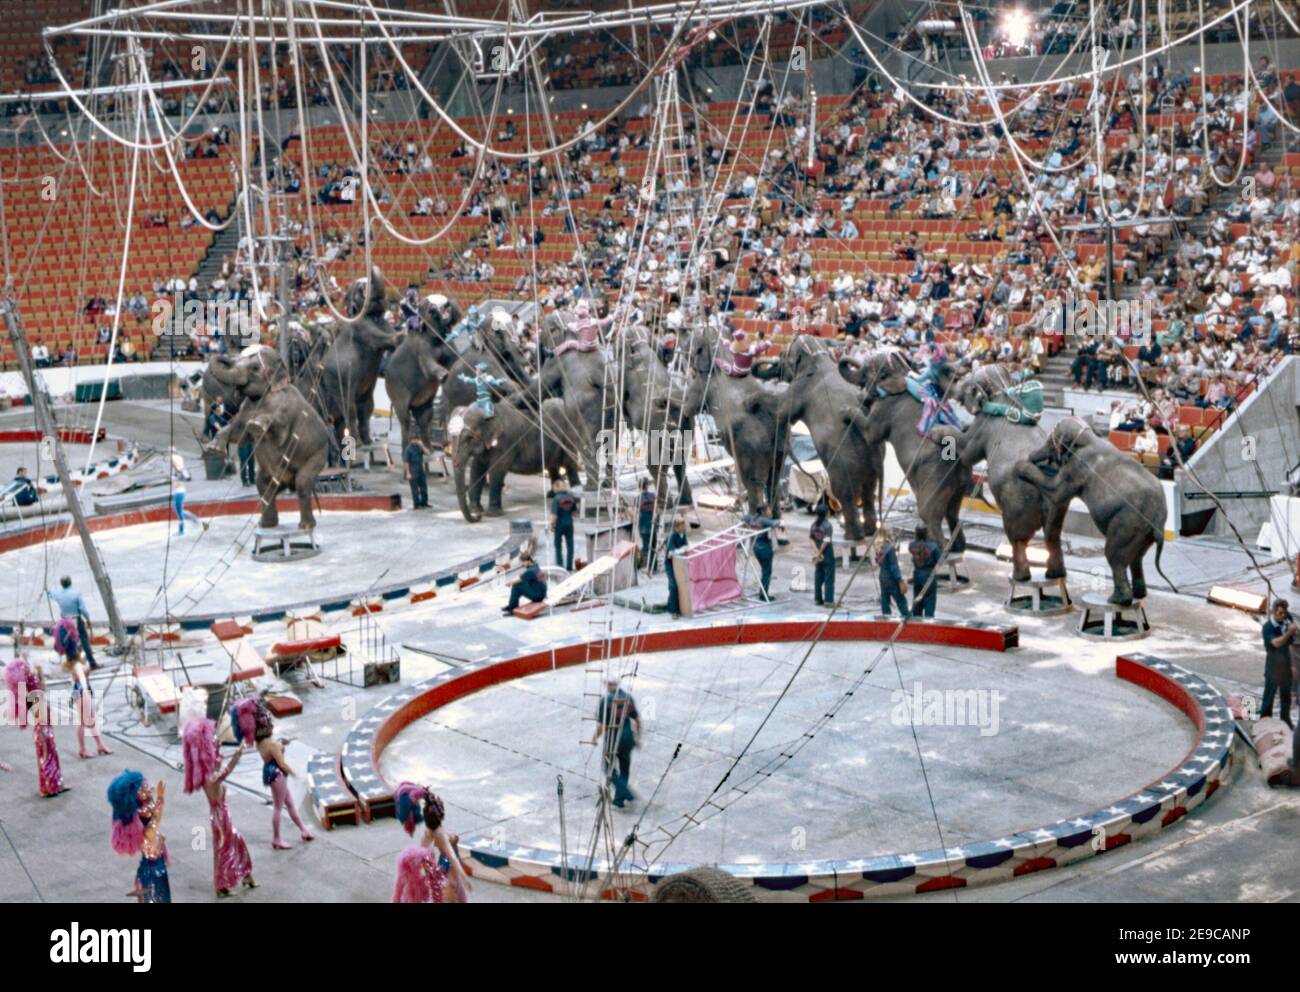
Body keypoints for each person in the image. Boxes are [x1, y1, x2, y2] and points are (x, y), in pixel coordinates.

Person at [182, 716, 256, 896]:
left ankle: (245, 875)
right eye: (217, 754)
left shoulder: (207, 774)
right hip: (220, 818)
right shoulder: (209, 778)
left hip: (222, 816)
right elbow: (226, 772)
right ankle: (221, 884)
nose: (221, 756)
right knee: (224, 850)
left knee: (236, 842)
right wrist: (237, 756)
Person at [233, 698, 314, 849]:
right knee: (278, 807)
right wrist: (296, 774)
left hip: (270, 771)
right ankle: (276, 838)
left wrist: (281, 744)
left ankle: (304, 830)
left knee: (289, 803)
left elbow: (271, 747)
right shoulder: (273, 744)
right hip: (278, 773)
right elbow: (282, 763)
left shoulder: (261, 742)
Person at [393, 783, 471, 902]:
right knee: (445, 893)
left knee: (443, 892)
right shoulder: (438, 833)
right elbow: (452, 857)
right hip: (443, 868)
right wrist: (464, 878)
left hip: (438, 870)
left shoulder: (429, 830)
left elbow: (424, 850)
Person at [53, 616, 112, 759]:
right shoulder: (78, 665)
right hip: (82, 691)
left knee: (89, 720)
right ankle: (85, 748)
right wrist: (87, 694)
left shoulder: (70, 663)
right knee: (84, 721)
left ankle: (99, 745)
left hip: (78, 691)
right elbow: (83, 682)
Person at [4, 657, 65, 797]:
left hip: (43, 728)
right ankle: (49, 787)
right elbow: (42, 688)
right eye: (25, 667)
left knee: (50, 755)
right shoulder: (32, 689)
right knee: (48, 756)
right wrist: (41, 671)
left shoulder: (26, 689)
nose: (28, 667)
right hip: (43, 729)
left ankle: (55, 784)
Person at [108, 771, 170, 902]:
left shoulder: (143, 815)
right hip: (152, 875)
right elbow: (156, 819)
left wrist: (156, 799)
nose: (148, 786)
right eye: (143, 786)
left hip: (154, 870)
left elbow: (152, 811)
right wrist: (160, 798)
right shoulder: (148, 831)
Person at [591, 678, 640, 808]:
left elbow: (602, 726)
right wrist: (638, 737)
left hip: (613, 739)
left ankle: (624, 791)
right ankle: (619, 799)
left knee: (608, 768)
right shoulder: (628, 698)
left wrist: (595, 737)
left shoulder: (606, 701)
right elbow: (637, 719)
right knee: (625, 767)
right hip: (628, 737)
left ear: (608, 684)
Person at [47, 575, 99, 671]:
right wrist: (87, 618)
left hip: (65, 621)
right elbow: (82, 609)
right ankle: (92, 663)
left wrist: (48, 591)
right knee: (84, 641)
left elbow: (49, 594)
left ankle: (70, 662)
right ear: (70, 583)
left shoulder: (58, 594)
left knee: (68, 641)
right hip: (76, 619)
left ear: (61, 584)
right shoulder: (76, 593)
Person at [1261, 599, 1295, 728]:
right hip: (1273, 665)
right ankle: (1265, 719)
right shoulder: (1267, 627)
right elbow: (1276, 643)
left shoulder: (1286, 620)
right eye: (1280, 613)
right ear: (1273, 612)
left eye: (1284, 613)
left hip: (1285, 665)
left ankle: (1285, 719)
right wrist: (1289, 632)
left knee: (1286, 696)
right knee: (1269, 694)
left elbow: (1290, 644)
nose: (1282, 616)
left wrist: (1292, 665)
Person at [743, 502, 782, 601]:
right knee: (766, 572)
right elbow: (775, 523)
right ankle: (764, 595)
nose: (770, 512)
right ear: (763, 511)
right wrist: (781, 521)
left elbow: (744, 518)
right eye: (768, 510)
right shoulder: (764, 520)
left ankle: (762, 592)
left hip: (756, 547)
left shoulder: (753, 519)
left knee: (764, 571)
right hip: (764, 548)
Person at [169, 448, 208, 536]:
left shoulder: (181, 471)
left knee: (179, 512)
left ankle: (182, 530)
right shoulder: (175, 472)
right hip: (176, 492)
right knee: (177, 510)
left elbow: (187, 478)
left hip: (179, 492)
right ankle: (197, 521)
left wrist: (179, 478)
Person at [908, 524, 942, 618]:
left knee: (917, 600)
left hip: (917, 575)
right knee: (930, 601)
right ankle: (928, 622)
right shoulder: (933, 546)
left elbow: (913, 554)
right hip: (929, 575)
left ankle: (917, 621)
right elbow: (940, 560)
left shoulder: (911, 545)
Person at [875, 528, 909, 617]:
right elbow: (893, 566)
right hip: (891, 578)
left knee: (885, 601)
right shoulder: (889, 549)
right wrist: (899, 579)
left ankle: (886, 620)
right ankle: (907, 619)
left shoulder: (879, 547)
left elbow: (878, 561)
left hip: (882, 577)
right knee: (901, 601)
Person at [504, 550, 547, 615]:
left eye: (522, 562)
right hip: (541, 592)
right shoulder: (535, 566)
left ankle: (512, 609)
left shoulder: (531, 571)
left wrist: (509, 583)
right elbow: (523, 577)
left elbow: (520, 579)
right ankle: (511, 605)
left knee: (516, 586)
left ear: (528, 561)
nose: (521, 564)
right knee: (519, 585)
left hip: (538, 596)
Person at [810, 502, 835, 607]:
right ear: (826, 514)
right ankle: (828, 601)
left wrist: (816, 553)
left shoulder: (813, 525)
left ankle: (818, 599)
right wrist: (820, 553)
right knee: (829, 577)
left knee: (818, 576)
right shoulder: (828, 525)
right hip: (827, 553)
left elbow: (811, 539)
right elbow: (826, 541)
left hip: (818, 555)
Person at [550, 475, 578, 570]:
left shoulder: (556, 499)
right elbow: (574, 512)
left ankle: (560, 565)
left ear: (557, 487)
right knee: (570, 545)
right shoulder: (571, 497)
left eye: (554, 487)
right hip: (569, 523)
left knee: (558, 545)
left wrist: (552, 525)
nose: (553, 489)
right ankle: (569, 567)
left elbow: (554, 515)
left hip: (559, 524)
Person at [664, 516, 689, 617]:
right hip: (670, 564)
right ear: (677, 527)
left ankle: (673, 605)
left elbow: (686, 546)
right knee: (673, 585)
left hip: (679, 563)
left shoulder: (683, 535)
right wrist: (679, 550)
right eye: (682, 525)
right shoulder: (672, 536)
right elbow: (671, 551)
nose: (684, 527)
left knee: (681, 585)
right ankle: (673, 610)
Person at [636, 478, 658, 572]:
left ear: (640, 486)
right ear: (647, 485)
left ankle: (648, 567)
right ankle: (654, 566)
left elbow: (635, 512)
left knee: (646, 547)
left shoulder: (638, 498)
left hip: (643, 525)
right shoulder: (653, 496)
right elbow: (656, 510)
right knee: (653, 545)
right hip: (652, 524)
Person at [403, 437, 429, 509]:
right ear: (411, 440)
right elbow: (406, 462)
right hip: (412, 471)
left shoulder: (419, 447)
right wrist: (408, 473)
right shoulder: (408, 449)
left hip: (420, 470)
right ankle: (416, 505)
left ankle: (424, 503)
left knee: (424, 487)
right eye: (414, 439)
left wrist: (422, 445)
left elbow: (428, 453)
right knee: (415, 490)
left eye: (417, 439)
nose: (415, 441)